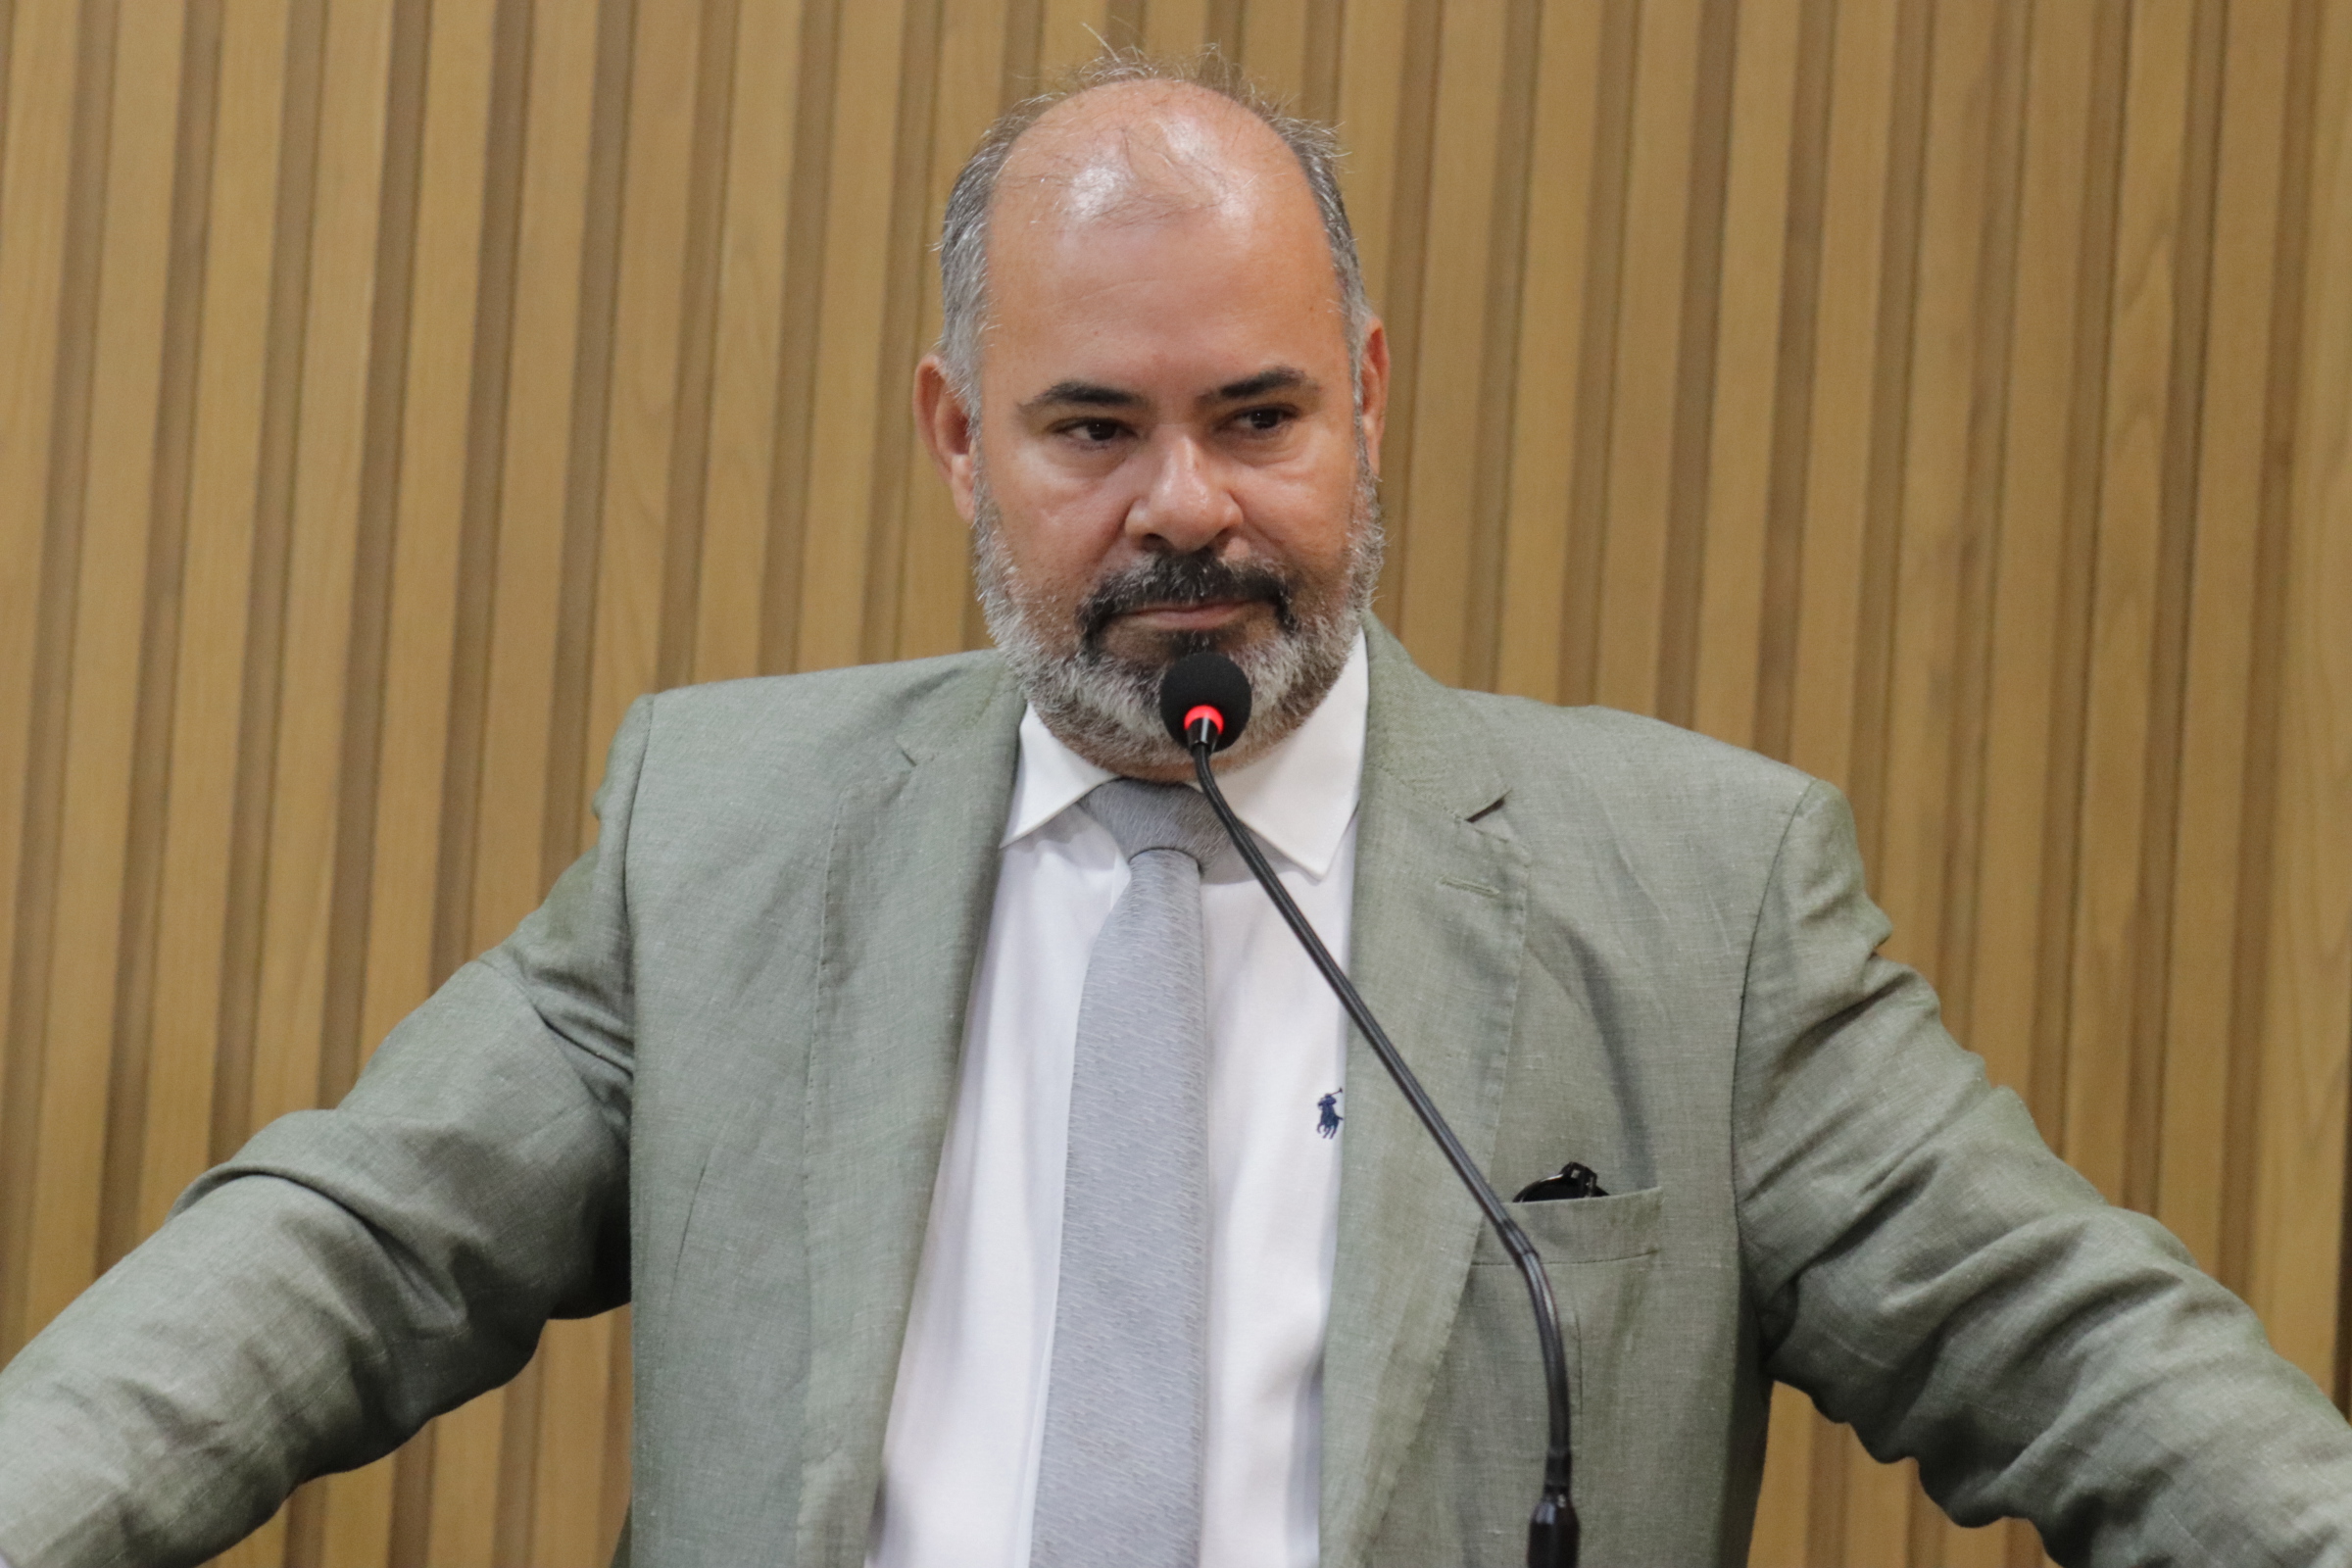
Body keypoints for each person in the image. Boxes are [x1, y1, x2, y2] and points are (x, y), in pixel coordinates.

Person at [3, 49, 2350, 1568]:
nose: (1188, 507)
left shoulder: (1697, 894)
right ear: (957, 436)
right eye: (1092, 429)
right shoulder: (718, 830)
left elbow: (2081, 1353)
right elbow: (344, 1247)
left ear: (1369, 399)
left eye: (1259, 415)